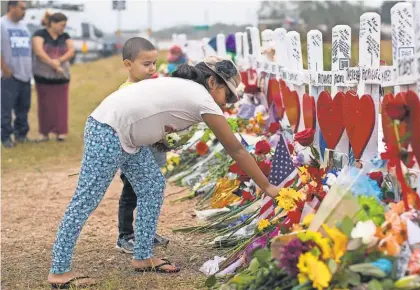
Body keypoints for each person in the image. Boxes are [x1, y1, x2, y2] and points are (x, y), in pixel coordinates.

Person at [47, 56, 280, 288]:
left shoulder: (189, 90)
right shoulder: (203, 100)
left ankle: (143, 256)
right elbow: (237, 149)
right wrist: (267, 187)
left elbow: (151, 111)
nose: (228, 102)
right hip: (108, 131)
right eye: (227, 94)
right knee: (85, 200)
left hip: (126, 135)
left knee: (152, 186)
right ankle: (58, 271)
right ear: (212, 82)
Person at [115, 37, 170, 254]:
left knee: (151, 193)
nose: (152, 68)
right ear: (128, 65)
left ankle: (145, 231)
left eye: (154, 63)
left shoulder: (150, 87)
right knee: (131, 193)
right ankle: (125, 235)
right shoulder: (126, 91)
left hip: (151, 149)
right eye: (146, 64)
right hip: (133, 152)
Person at [32, 12, 75, 142]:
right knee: (45, 104)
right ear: (53, 23)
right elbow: (39, 52)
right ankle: (44, 133)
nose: (63, 28)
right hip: (43, 76)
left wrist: (59, 60)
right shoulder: (40, 34)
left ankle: (61, 132)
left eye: (65, 25)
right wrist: (53, 64)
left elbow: (71, 50)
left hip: (62, 77)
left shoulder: (65, 36)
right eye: (62, 25)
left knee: (61, 105)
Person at [1, 1, 32, 148]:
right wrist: (4, 68)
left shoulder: (23, 26)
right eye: (22, 8)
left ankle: (21, 135)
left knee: (23, 107)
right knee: (6, 108)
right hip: (9, 76)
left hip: (25, 74)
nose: (24, 11)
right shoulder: (2, 25)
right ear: (11, 7)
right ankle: (6, 137)